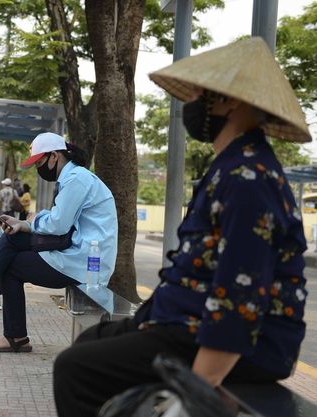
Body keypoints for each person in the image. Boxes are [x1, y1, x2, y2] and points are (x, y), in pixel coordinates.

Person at [53, 37, 311, 417]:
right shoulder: (233, 166)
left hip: (239, 340)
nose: (188, 103)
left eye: (197, 93)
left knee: (76, 370)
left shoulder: (249, 178)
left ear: (229, 100)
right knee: (87, 345)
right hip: (183, 322)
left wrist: (198, 390)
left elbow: (240, 294)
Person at [0, 132, 118, 353]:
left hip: (85, 262)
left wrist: (33, 219)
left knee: (9, 257)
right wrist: (22, 224)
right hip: (76, 252)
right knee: (12, 242)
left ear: (54, 156)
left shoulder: (76, 180)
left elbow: (58, 225)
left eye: (39, 162)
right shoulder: (74, 178)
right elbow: (59, 224)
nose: (38, 169)